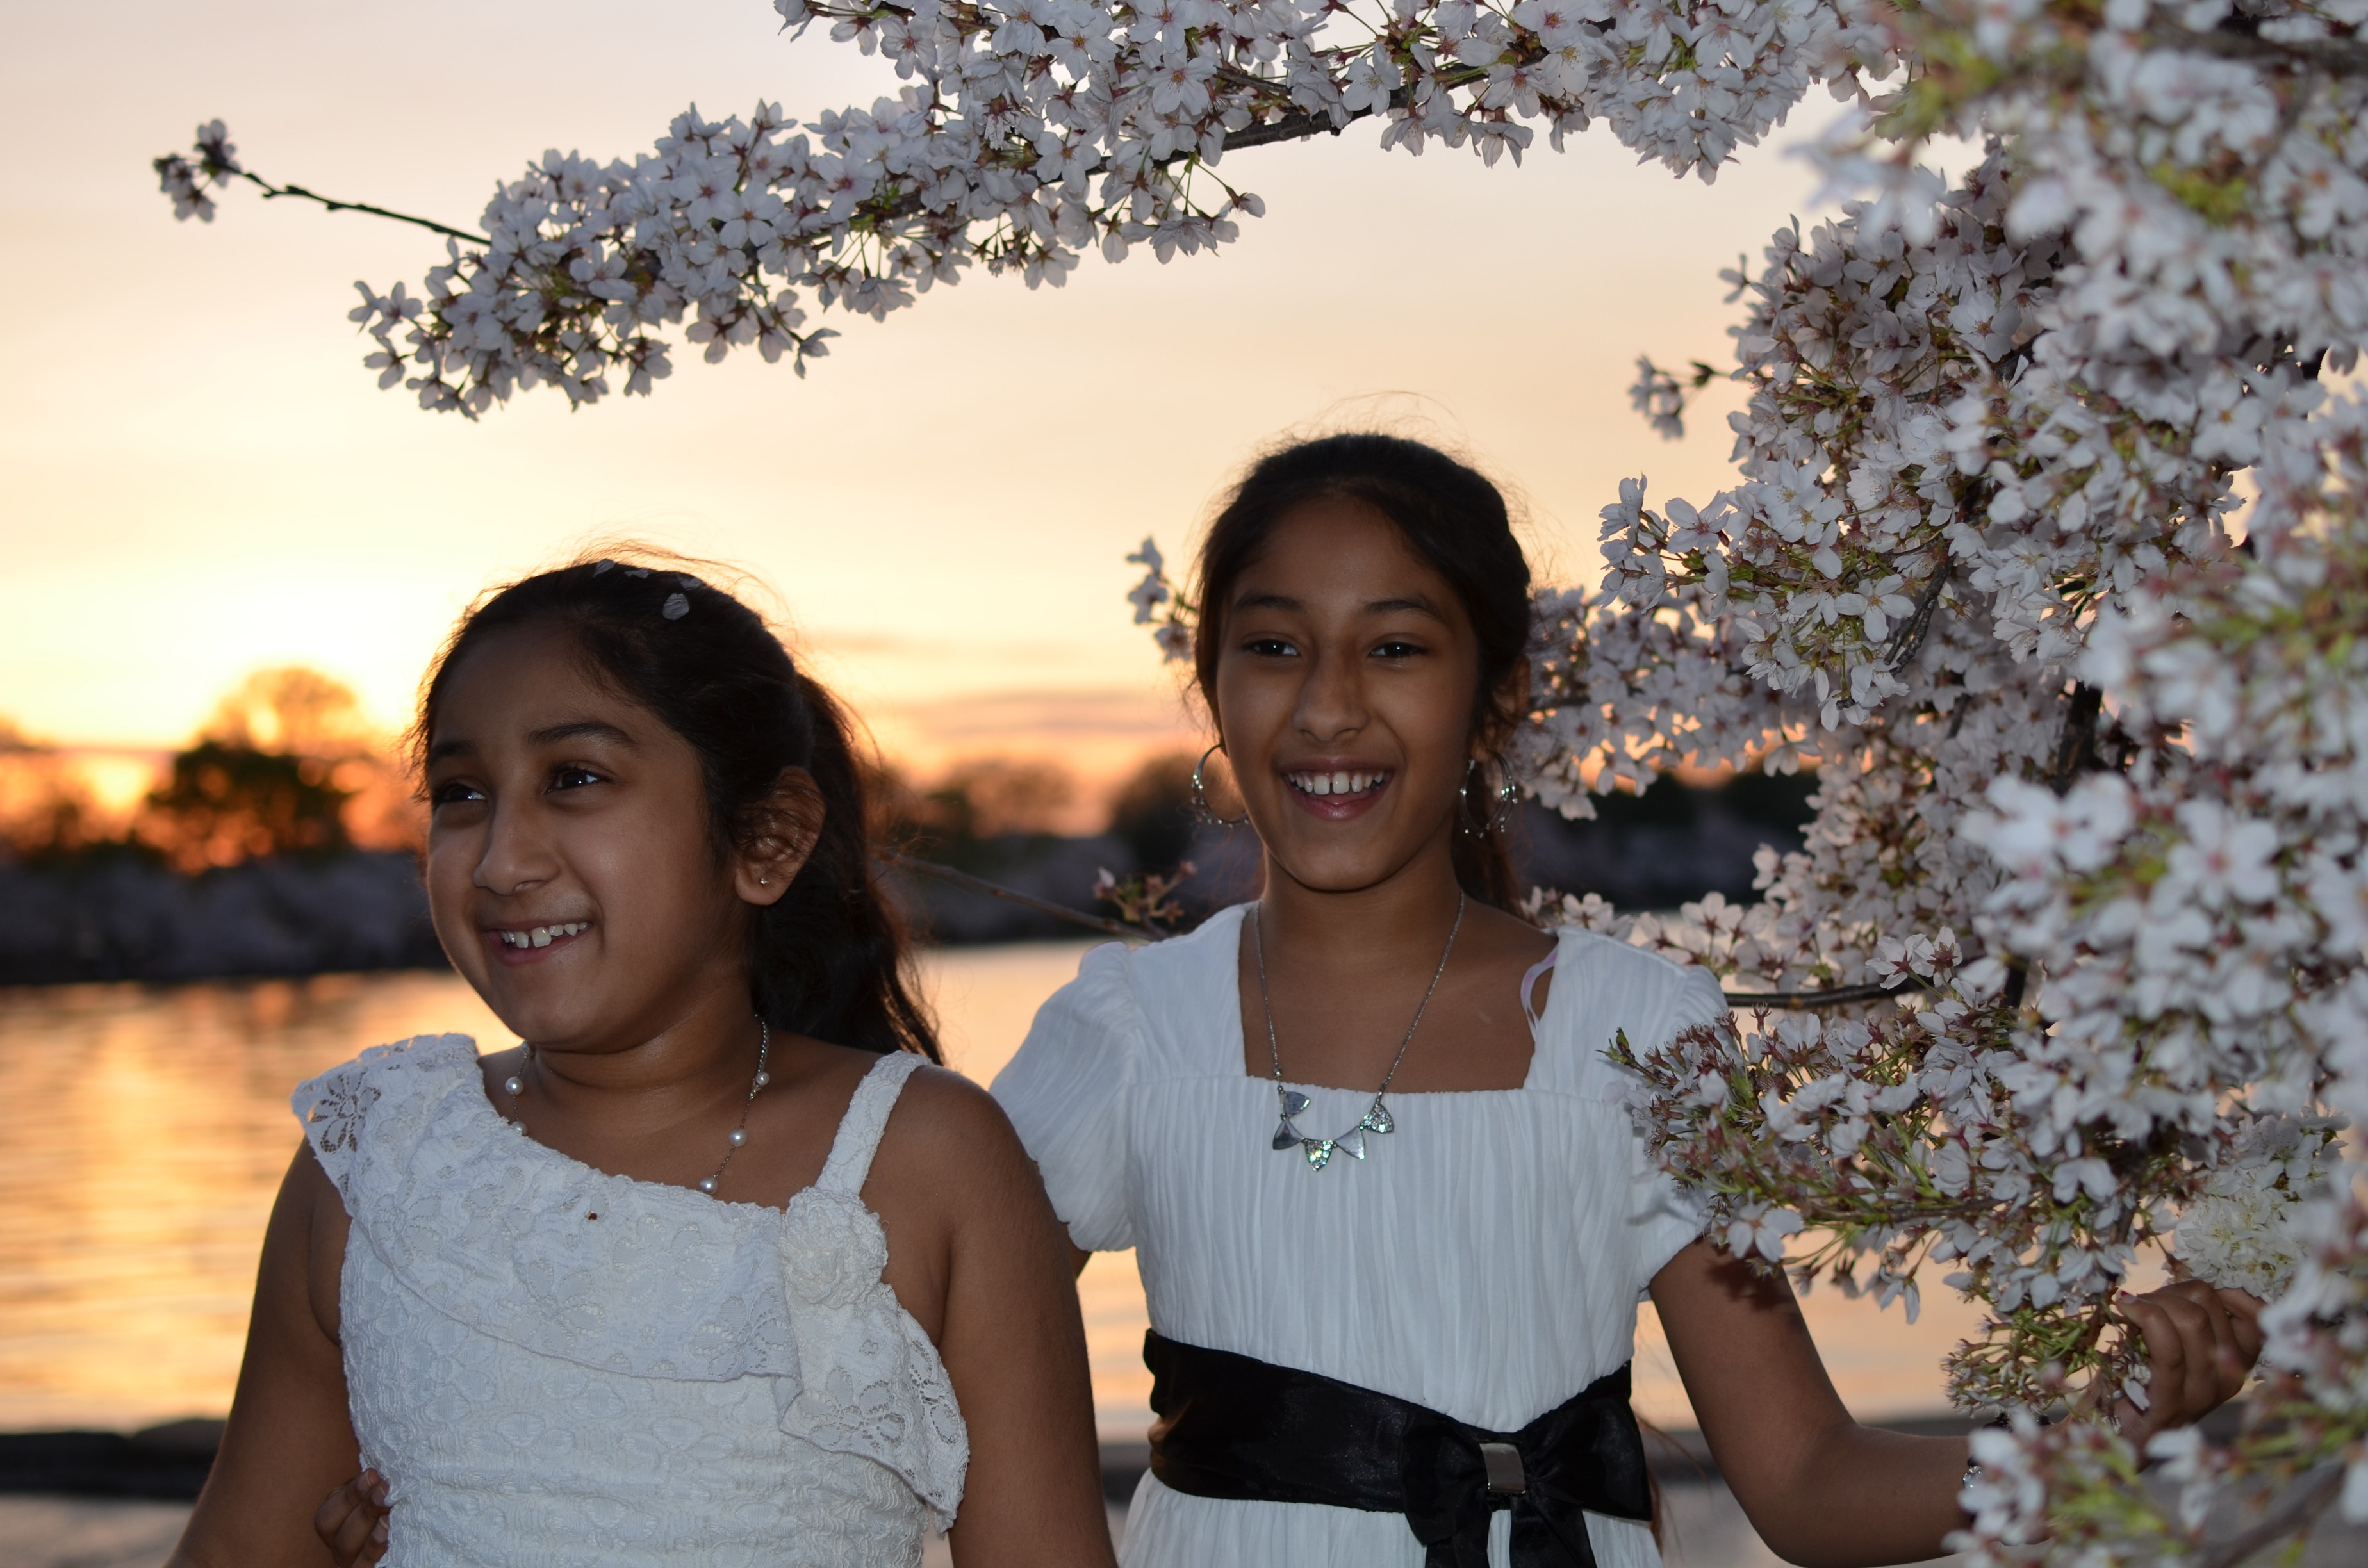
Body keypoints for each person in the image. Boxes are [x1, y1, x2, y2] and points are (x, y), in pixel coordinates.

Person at [987, 432, 2265, 1568]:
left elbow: (1813, 1487)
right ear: (1213, 685)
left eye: (1395, 647)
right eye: (1273, 646)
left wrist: (2102, 1424)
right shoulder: (1128, 1034)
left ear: (1495, 698)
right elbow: (947, 1376)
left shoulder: (1644, 1032)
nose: (1329, 706)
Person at [172, 553, 1114, 1568]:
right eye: (460, 793)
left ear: (766, 839)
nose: (501, 860)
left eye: (574, 779)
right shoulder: (376, 1163)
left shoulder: (929, 1161)